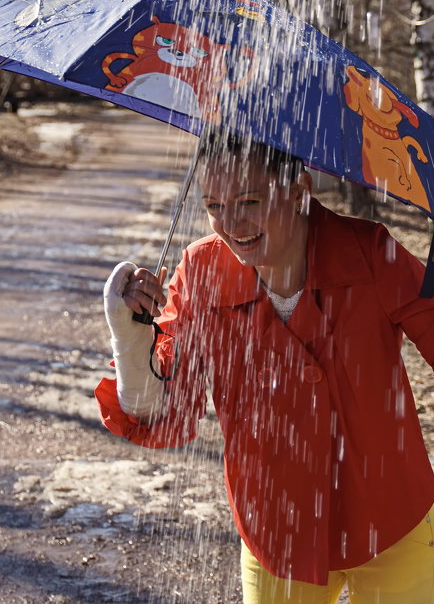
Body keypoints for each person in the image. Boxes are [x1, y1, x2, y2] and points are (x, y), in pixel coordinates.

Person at [95, 136, 434, 604]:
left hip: (391, 519)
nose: (231, 224)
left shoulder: (369, 253)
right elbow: (164, 410)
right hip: (277, 532)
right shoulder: (201, 270)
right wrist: (132, 342)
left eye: (250, 201)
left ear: (299, 191)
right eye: (214, 205)